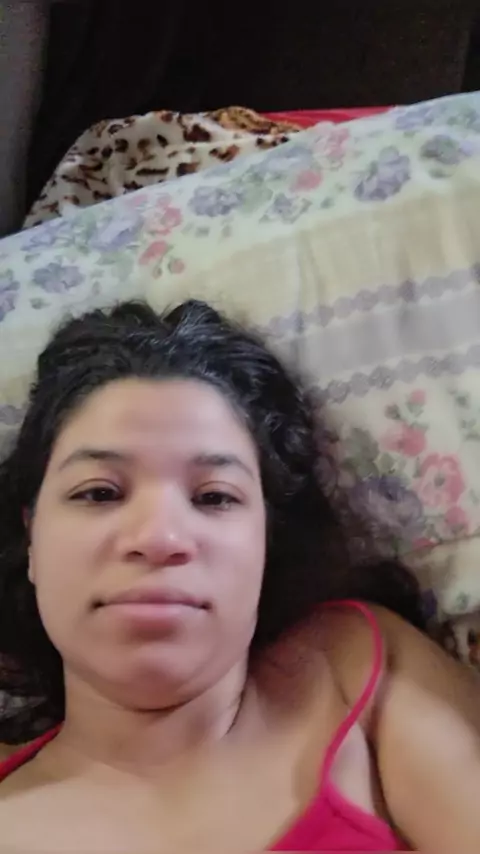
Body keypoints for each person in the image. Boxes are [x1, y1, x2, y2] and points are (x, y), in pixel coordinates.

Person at [0, 299, 480, 853]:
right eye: (99, 493)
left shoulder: (350, 671)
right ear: (32, 539)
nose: (160, 537)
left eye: (214, 497)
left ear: (266, 543)